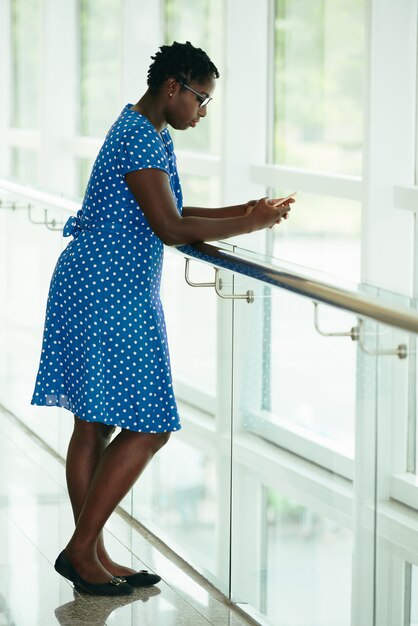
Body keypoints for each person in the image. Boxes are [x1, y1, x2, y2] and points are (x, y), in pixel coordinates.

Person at [31, 41, 293, 596]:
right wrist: (247, 226)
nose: (202, 112)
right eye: (201, 99)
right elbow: (172, 229)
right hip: (107, 293)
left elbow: (176, 211)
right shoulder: (137, 138)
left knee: (93, 423)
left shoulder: (149, 132)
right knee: (150, 427)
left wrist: (248, 212)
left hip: (102, 286)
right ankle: (82, 550)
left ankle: (91, 555)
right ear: (172, 87)